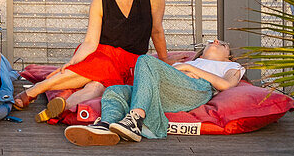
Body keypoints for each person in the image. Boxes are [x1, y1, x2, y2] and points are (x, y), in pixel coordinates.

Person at [13, 0, 168, 123]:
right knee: (104, 67)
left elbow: (157, 30)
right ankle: (35, 90)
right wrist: (72, 63)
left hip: (132, 61)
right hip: (102, 55)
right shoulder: (100, 0)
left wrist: (164, 65)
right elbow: (90, 41)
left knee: (97, 87)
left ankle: (64, 105)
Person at [66, 39, 244, 146]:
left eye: (222, 44)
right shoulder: (190, 63)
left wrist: (189, 68)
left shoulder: (230, 66)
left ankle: (135, 120)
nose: (215, 41)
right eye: (211, 41)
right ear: (201, 54)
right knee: (115, 91)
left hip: (196, 89)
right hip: (163, 91)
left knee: (145, 60)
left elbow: (226, 85)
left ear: (229, 56)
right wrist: (181, 68)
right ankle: (106, 126)